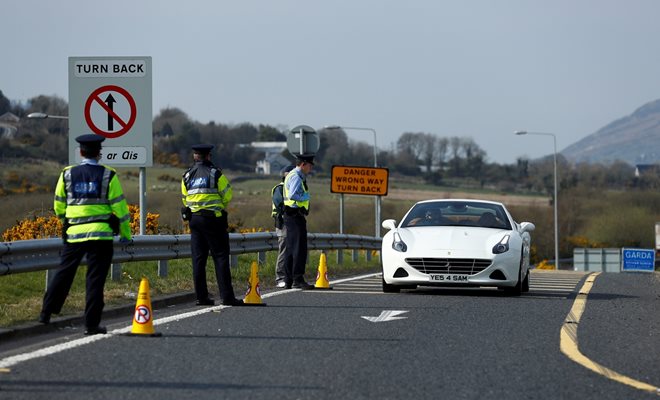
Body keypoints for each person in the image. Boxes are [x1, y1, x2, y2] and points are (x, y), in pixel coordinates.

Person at [39, 134, 132, 335]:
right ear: (99, 153)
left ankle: (46, 313)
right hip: (101, 235)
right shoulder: (109, 175)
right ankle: (91, 325)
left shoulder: (67, 174)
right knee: (95, 280)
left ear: (80, 152)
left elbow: (58, 205)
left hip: (75, 235)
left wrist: (66, 223)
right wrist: (125, 234)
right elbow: (121, 208)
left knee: (64, 273)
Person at [181, 144, 243, 307]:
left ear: (195, 157)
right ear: (208, 156)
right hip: (213, 219)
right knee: (221, 257)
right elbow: (227, 194)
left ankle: (201, 297)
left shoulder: (187, 175)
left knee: (198, 259)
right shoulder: (216, 173)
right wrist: (217, 207)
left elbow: (184, 198)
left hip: (194, 220)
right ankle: (227, 297)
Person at [282, 155, 315, 290]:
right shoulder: (296, 176)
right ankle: (298, 279)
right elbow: (293, 195)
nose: (311, 168)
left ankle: (288, 279)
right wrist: (306, 196)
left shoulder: (294, 175)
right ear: (303, 164)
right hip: (295, 215)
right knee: (299, 248)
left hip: (292, 215)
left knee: (291, 248)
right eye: (310, 165)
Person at [271, 164, 295, 288]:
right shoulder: (280, 188)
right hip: (283, 222)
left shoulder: (292, 187)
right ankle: (280, 277)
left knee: (291, 250)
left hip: (291, 222)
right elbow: (281, 205)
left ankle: (289, 276)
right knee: (284, 250)